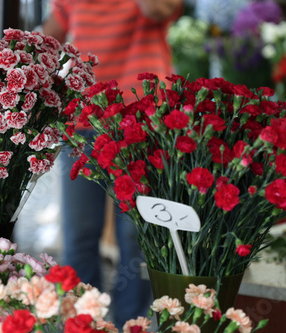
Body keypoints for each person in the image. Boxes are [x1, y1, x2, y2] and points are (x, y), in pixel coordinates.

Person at [43, 0, 183, 328]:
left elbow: (159, 10)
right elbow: (47, 40)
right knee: (79, 233)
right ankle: (84, 323)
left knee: (138, 236)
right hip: (83, 121)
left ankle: (133, 323)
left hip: (142, 123)